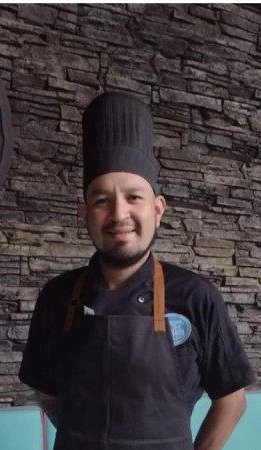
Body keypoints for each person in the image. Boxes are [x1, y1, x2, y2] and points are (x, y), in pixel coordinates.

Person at [19, 92, 256, 450]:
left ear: (158, 209)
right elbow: (47, 392)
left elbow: (232, 401)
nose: (119, 214)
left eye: (133, 197)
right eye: (102, 200)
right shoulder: (56, 296)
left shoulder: (196, 297)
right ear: (85, 213)